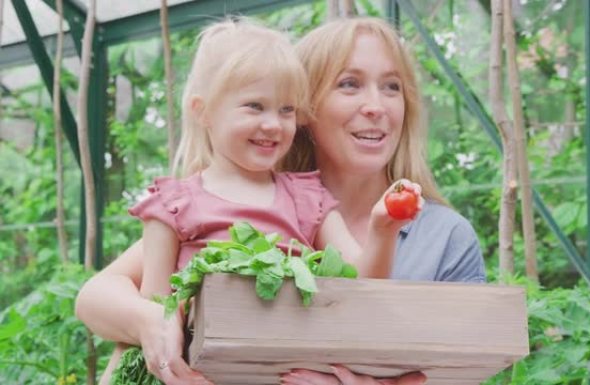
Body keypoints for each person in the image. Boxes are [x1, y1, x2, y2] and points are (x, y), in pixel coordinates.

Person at [75, 16, 485, 385]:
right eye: (349, 83)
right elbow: (99, 296)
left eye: (392, 86)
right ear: (309, 109)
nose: (376, 106)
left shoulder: (444, 236)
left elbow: (469, 365)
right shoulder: (219, 204)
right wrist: (152, 325)